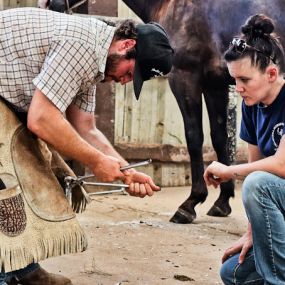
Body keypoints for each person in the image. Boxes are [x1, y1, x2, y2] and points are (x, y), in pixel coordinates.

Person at [0, 7, 174, 285]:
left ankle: (21, 268)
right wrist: (96, 161)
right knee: (7, 180)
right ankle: (13, 272)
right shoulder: (81, 44)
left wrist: (126, 172)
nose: (126, 82)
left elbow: (86, 128)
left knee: (21, 175)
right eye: (131, 73)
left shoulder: (94, 58)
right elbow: (41, 118)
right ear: (127, 45)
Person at [203, 14, 285, 284]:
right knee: (234, 273)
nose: (238, 88)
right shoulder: (252, 107)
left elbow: (280, 166)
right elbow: (254, 168)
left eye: (245, 80)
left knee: (260, 183)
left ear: (271, 73)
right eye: (234, 79)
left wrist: (228, 170)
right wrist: (254, 232)